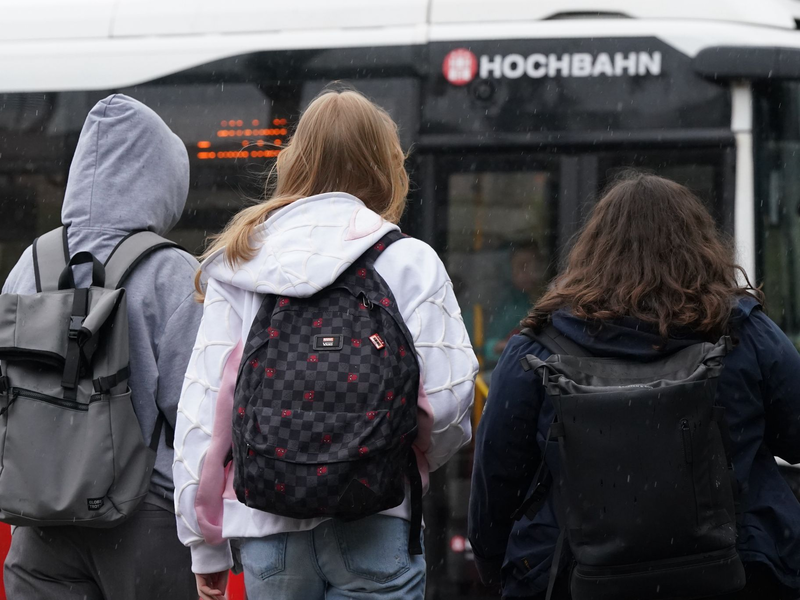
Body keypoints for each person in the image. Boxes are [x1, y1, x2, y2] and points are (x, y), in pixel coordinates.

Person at [173, 88, 478, 600]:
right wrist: (394, 457)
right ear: (384, 164)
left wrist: (205, 543)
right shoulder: (408, 260)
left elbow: (206, 411)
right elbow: (448, 403)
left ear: (296, 160)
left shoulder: (243, 261)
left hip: (267, 527)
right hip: (377, 520)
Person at [469, 172, 800, 600]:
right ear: (700, 245)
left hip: (576, 577)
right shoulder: (745, 333)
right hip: (739, 572)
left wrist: (497, 567)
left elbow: (496, 485)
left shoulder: (538, 349)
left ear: (592, 250)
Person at [2, 94, 201, 598]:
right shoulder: (172, 272)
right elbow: (197, 412)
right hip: (143, 520)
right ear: (162, 180)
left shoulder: (30, 263)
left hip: (38, 517)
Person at [484, 242, 546, 363]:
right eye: (520, 266)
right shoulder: (508, 304)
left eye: (534, 266)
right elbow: (487, 347)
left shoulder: (553, 297)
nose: (527, 273)